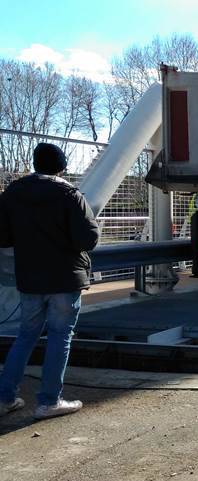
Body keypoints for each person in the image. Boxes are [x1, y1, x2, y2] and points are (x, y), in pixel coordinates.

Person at [0, 143, 100, 420]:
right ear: (61, 166)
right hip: (65, 278)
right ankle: (49, 401)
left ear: (35, 164)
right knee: (60, 336)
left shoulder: (13, 193)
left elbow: (3, 236)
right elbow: (88, 239)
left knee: (25, 335)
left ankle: (4, 397)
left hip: (30, 278)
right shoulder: (69, 194)